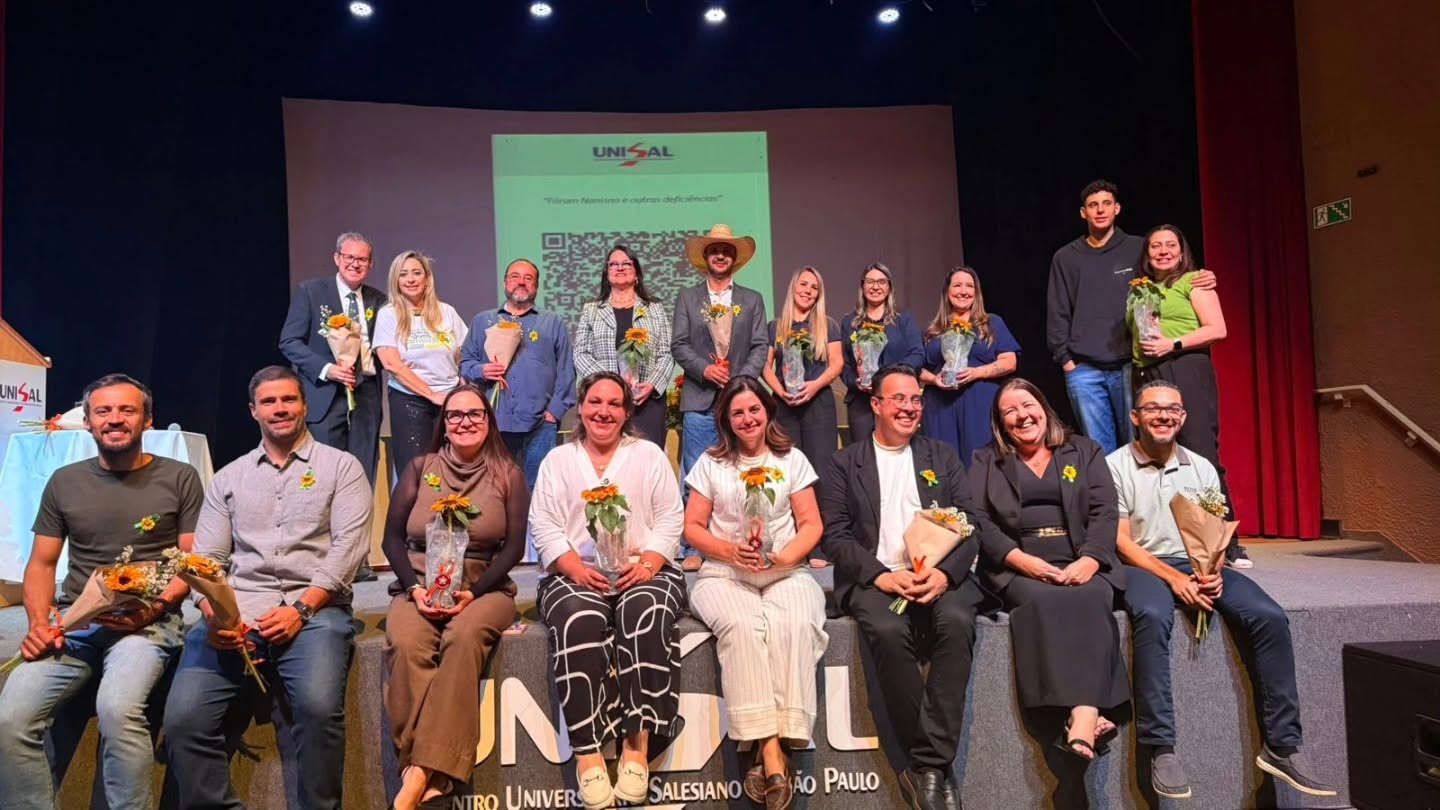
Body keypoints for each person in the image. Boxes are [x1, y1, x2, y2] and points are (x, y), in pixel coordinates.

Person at [1108, 380, 1336, 801]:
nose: (1164, 415)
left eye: (1173, 409)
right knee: (1153, 615)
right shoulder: (1114, 466)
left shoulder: (1202, 467)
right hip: (1143, 565)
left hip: (1199, 564)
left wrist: (1211, 570)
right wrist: (1175, 579)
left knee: (1269, 616)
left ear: (1183, 418)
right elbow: (1121, 542)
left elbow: (1211, 534)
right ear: (1135, 416)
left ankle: (1282, 746)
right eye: (1153, 408)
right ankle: (1160, 747)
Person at [163, 366, 372, 810]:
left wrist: (301, 609)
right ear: (253, 410)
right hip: (236, 614)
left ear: (305, 406)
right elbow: (207, 561)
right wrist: (213, 613)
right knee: (183, 720)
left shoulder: (342, 468)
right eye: (270, 402)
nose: (280, 409)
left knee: (318, 711)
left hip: (317, 612)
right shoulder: (229, 478)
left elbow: (348, 548)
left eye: (289, 400)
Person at [0, 374, 201, 810]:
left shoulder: (180, 477)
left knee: (117, 710)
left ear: (147, 420)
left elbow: (192, 563)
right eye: (103, 411)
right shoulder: (65, 481)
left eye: (127, 410)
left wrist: (158, 607)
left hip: (148, 626)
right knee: (10, 717)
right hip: (75, 624)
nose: (114, 420)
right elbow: (41, 564)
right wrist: (39, 624)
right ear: (87, 422)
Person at [820, 365, 987, 810]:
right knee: (889, 632)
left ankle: (925, 766)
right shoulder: (844, 462)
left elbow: (970, 525)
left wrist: (946, 574)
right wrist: (880, 575)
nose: (910, 407)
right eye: (899, 399)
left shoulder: (942, 456)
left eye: (916, 400)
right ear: (875, 405)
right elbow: (834, 536)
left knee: (955, 619)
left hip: (937, 576)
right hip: (877, 578)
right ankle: (933, 765)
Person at [528, 372, 687, 810]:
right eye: (595, 402)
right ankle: (589, 753)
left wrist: (652, 561)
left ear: (627, 412)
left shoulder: (649, 455)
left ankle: (637, 748)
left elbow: (672, 517)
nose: (604, 411)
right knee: (579, 620)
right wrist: (573, 566)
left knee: (645, 613)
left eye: (614, 404)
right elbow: (542, 523)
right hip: (575, 574)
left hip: (642, 570)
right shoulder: (558, 461)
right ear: (580, 407)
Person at [683, 377, 827, 810]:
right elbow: (692, 528)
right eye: (737, 412)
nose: (747, 419)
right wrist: (730, 551)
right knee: (745, 628)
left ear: (767, 413)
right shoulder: (712, 463)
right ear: (726, 419)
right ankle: (771, 753)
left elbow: (812, 526)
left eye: (754, 410)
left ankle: (772, 744)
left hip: (785, 572)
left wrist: (783, 559)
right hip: (723, 574)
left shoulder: (792, 459)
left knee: (796, 623)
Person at [380, 384, 525, 810]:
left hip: (485, 588)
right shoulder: (421, 467)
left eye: (474, 414)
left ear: (488, 421)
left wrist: (471, 593)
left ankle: (416, 774)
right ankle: (430, 774)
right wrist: (414, 588)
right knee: (406, 643)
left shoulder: (507, 474)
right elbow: (391, 539)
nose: (464, 422)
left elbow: (514, 548)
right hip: (420, 583)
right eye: (455, 415)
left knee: (462, 639)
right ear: (443, 423)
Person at [968, 378, 1128, 762]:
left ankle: (1081, 719)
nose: (1022, 416)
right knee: (1043, 601)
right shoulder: (985, 460)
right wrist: (1019, 559)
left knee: (1091, 596)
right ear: (1000, 423)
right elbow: (977, 519)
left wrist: (1090, 559)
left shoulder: (1084, 451)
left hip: (1081, 557)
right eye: (1010, 411)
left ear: (1044, 407)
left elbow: (1105, 511)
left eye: (1028, 405)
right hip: (1019, 565)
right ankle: (1088, 716)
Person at [1045, 180, 1214, 454]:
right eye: (1093, 205)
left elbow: (1166, 274)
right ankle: (1110, 499)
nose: (1100, 210)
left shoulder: (1137, 248)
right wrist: (1066, 361)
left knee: (1138, 444)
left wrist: (1200, 276)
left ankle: (1140, 499)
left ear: (1117, 208)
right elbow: (1058, 310)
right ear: (1083, 213)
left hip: (1130, 366)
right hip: (1084, 369)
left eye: (1107, 204)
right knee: (1101, 451)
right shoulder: (1066, 257)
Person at [1130, 225, 1248, 567]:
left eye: (1171, 245)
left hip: (1184, 367)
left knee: (1200, 452)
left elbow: (1218, 329)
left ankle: (1228, 542)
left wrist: (1173, 343)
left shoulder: (1194, 281)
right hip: (1148, 373)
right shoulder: (1142, 289)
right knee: (1156, 456)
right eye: (1156, 246)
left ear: (1182, 252)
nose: (1163, 251)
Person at [460, 258, 576, 561]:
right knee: (495, 489)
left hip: (541, 425)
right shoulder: (483, 321)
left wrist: (554, 412)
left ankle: (543, 553)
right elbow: (465, 364)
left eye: (528, 278)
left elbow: (566, 372)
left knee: (542, 490)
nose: (521, 282)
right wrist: (482, 370)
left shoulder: (552, 322)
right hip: (495, 425)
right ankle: (496, 552)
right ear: (504, 283)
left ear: (536, 286)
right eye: (515, 276)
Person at [672, 224, 769, 569]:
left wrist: (740, 382)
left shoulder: (752, 299)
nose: (721, 255)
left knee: (744, 472)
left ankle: (743, 540)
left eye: (727, 251)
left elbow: (760, 345)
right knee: (696, 475)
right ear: (706, 256)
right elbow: (679, 345)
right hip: (699, 399)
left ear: (734, 259)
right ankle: (694, 547)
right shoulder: (687, 298)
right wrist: (705, 370)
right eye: (715, 250)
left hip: (739, 401)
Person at [279, 231, 387, 487]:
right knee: (323, 478)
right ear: (337, 258)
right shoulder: (311, 292)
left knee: (361, 478)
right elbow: (289, 342)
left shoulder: (380, 300)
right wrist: (327, 369)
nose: (355, 263)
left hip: (366, 399)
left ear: (370, 265)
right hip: (324, 398)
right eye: (349, 257)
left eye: (362, 259)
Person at [372, 249, 470, 483]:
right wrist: (431, 394)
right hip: (410, 402)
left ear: (427, 278)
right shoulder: (388, 314)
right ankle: (416, 521)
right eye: (404, 274)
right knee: (416, 474)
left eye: (417, 273)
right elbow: (391, 363)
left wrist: (463, 389)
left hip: (449, 400)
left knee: (454, 469)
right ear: (396, 280)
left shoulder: (447, 312)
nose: (411, 279)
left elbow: (465, 353)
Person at [573, 245, 674, 447]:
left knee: (647, 462)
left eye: (626, 263)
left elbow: (667, 353)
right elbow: (580, 353)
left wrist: (653, 384)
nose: (620, 267)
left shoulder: (654, 308)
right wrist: (610, 382)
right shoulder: (591, 309)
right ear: (606, 273)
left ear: (636, 272)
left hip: (646, 401)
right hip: (606, 402)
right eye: (614, 264)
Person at [919, 266, 1020, 466]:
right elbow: (917, 369)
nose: (963, 291)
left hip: (980, 404)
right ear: (947, 292)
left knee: (983, 464)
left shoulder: (991, 323)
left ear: (976, 292)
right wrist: (934, 379)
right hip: (940, 408)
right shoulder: (933, 330)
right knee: (942, 464)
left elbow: (1009, 362)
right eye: (957, 285)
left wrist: (976, 372)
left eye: (969, 286)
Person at [761, 265, 844, 481]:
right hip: (783, 404)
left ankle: (821, 515)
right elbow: (764, 366)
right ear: (793, 287)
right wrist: (779, 391)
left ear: (819, 294)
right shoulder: (775, 327)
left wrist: (815, 385)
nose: (808, 290)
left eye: (814, 287)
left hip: (818, 404)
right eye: (804, 284)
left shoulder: (828, 325)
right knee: (785, 465)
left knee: (821, 466)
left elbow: (837, 363)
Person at [839, 263, 924, 444]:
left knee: (897, 453)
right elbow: (844, 365)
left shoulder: (903, 319)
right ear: (862, 286)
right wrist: (855, 382)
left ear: (889, 287)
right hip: (861, 403)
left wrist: (891, 379)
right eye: (870, 282)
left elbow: (917, 354)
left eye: (881, 282)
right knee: (863, 458)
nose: (875, 287)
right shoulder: (850, 323)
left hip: (897, 401)